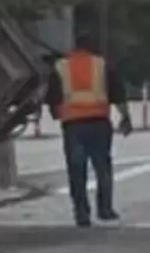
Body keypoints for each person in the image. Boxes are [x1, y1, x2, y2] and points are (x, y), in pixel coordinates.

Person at [46, 30, 133, 227]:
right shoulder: (102, 65)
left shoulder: (61, 66)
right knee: (102, 167)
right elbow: (118, 93)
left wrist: (57, 113)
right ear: (93, 47)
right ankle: (105, 209)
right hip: (99, 122)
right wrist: (125, 117)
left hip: (73, 125)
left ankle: (82, 213)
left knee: (77, 170)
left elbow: (53, 96)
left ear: (75, 47)